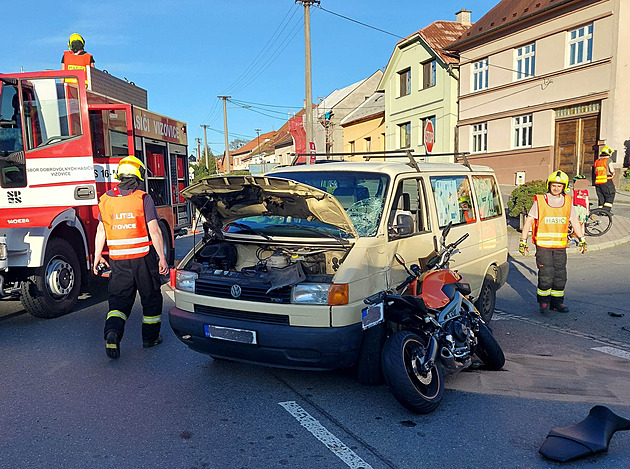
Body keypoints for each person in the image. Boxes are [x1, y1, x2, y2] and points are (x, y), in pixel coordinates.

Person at [93, 155, 169, 359]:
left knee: (118, 302)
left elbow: (101, 230)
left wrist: (97, 255)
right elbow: (154, 230)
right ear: (138, 176)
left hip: (119, 261)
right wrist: (162, 257)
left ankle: (113, 334)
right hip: (143, 259)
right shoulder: (142, 198)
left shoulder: (106, 200)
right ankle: (150, 339)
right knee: (151, 298)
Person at [519, 170, 587, 314]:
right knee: (546, 274)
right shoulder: (541, 201)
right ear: (549, 185)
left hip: (560, 246)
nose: (556, 188)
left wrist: (582, 239)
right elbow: (529, 220)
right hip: (543, 246)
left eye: (559, 186)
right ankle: (544, 303)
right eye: (553, 185)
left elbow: (574, 221)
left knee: (560, 275)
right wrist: (523, 241)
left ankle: (557, 303)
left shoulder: (568, 202)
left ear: (564, 187)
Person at [592, 145, 616, 211]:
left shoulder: (597, 161)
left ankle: (600, 210)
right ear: (609, 153)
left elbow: (595, 172)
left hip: (598, 182)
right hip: (606, 181)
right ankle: (606, 211)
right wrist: (613, 173)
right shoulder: (608, 160)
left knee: (601, 196)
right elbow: (612, 170)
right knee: (610, 195)